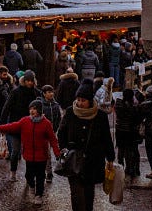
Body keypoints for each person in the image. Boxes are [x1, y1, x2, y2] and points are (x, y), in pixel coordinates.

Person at [57, 78, 115, 211]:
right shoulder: (70, 112)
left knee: (89, 194)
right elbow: (61, 133)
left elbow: (106, 137)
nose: (79, 103)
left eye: (83, 100)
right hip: (73, 159)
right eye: (78, 99)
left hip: (93, 160)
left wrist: (110, 157)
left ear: (90, 101)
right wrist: (64, 149)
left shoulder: (100, 115)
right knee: (76, 195)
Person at [0, 99, 61, 205]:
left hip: (41, 156)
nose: (32, 111)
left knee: (40, 176)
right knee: (29, 175)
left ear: (39, 110)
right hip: (28, 155)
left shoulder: (46, 123)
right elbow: (12, 126)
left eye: (34, 109)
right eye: (30, 108)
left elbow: (53, 139)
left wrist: (57, 153)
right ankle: (31, 186)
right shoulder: (25, 121)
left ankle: (39, 195)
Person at [0, 69, 42, 181]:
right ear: (24, 80)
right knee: (16, 150)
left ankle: (29, 174)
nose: (29, 83)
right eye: (28, 81)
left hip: (31, 126)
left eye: (31, 81)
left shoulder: (37, 93)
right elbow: (6, 108)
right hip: (16, 125)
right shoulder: (16, 92)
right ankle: (13, 172)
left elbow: (42, 109)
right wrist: (2, 125)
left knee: (29, 152)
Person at [114, 88, 145, 179]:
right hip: (129, 131)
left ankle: (120, 167)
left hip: (119, 130)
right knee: (129, 150)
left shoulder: (118, 105)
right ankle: (129, 169)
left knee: (120, 149)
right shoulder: (133, 107)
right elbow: (136, 118)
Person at [39, 84, 62, 183]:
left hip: (52, 132)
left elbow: (58, 119)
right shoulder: (40, 105)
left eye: (52, 92)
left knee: (48, 153)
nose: (51, 94)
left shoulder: (55, 105)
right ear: (44, 94)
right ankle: (46, 172)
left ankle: (48, 173)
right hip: (41, 133)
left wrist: (55, 129)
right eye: (49, 92)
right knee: (45, 153)